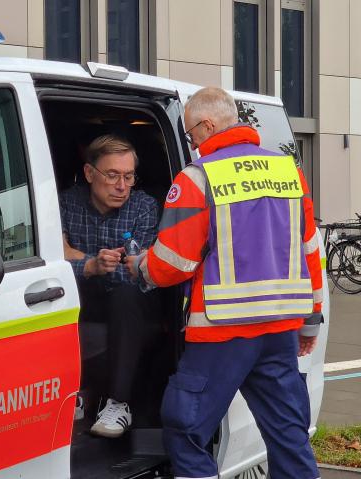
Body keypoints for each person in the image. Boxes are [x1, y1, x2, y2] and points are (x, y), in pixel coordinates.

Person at [130, 87, 324, 478]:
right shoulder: (288, 171)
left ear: (207, 124)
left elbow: (173, 263)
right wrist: (311, 318)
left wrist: (138, 267)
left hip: (222, 333)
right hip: (280, 331)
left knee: (185, 431)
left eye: (189, 135)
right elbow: (310, 250)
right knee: (289, 436)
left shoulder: (198, 178)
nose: (191, 143)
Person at [59, 134, 161, 438]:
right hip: (85, 294)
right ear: (90, 174)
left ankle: (118, 403)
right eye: (113, 175)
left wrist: (78, 259)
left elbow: (136, 271)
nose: (122, 187)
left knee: (126, 295)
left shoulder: (143, 207)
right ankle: (74, 391)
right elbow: (55, 256)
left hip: (132, 300)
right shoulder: (65, 203)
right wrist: (90, 265)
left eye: (129, 177)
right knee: (59, 290)